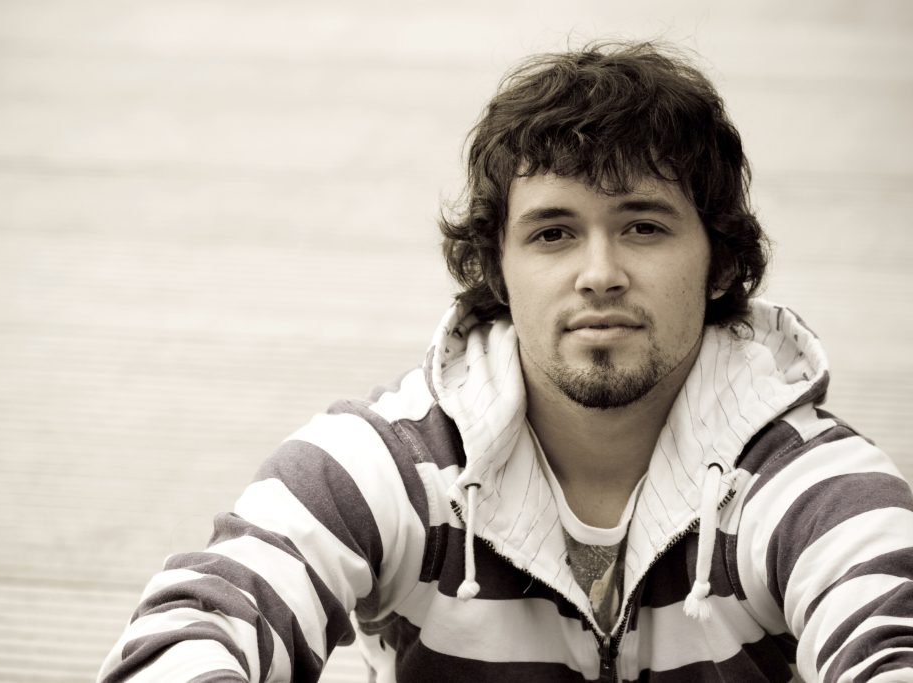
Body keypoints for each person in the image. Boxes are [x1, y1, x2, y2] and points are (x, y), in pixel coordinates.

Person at [98, 41, 913, 682]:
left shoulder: (809, 489)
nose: (600, 272)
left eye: (643, 226)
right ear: (494, 268)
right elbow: (194, 621)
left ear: (722, 262)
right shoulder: (396, 465)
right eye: (554, 232)